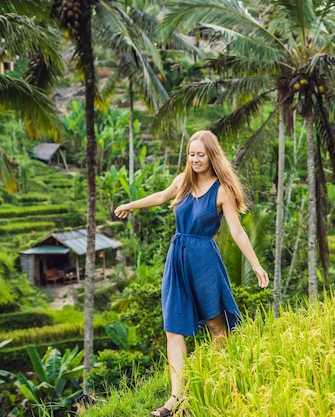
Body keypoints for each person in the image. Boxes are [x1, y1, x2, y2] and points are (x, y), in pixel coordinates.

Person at [114, 130, 270, 416]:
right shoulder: (183, 181)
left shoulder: (223, 190)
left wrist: (256, 264)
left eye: (201, 154)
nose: (196, 159)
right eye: (191, 154)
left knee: (216, 326)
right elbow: (162, 196)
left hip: (204, 260)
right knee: (173, 328)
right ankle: (175, 398)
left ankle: (224, 383)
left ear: (212, 156)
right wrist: (130, 205)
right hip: (178, 258)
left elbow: (236, 230)